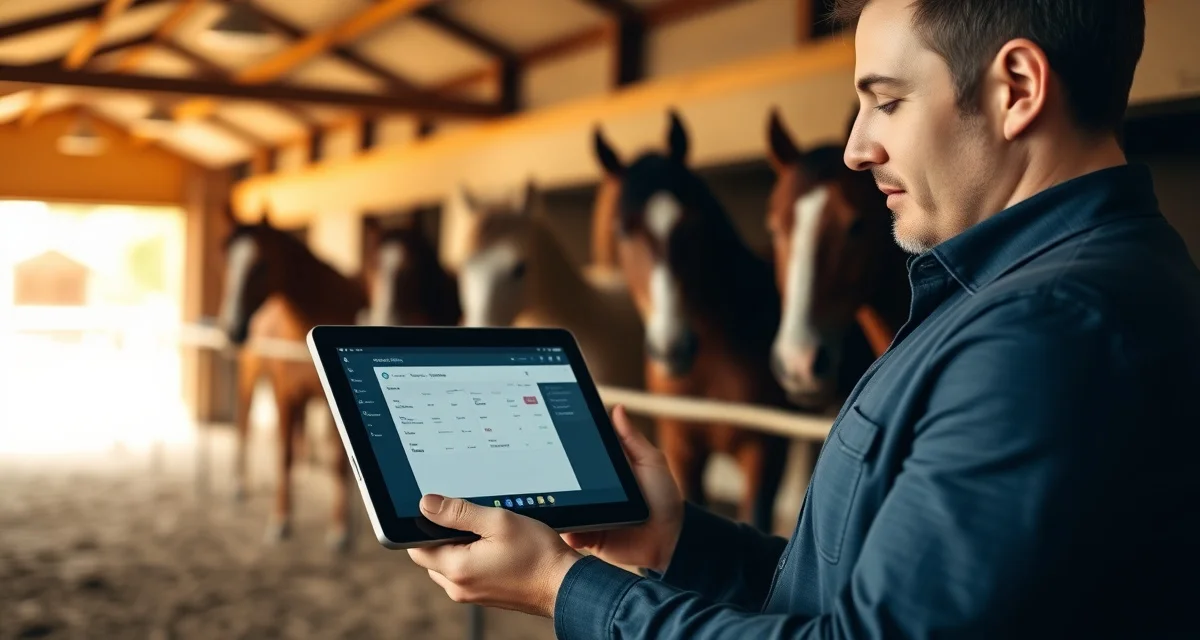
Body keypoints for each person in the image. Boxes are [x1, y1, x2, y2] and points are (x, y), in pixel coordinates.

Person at [408, 0, 1200, 636]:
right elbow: (851, 595)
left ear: (1017, 89)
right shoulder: (1028, 296)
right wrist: (675, 542)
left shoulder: (1048, 333)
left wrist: (561, 586)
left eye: (886, 102)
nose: (856, 147)